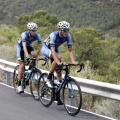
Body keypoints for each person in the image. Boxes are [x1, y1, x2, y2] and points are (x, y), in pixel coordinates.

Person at [41, 21, 78, 105]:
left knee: (59, 73)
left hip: (55, 49)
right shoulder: (53, 35)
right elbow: (53, 52)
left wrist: (73, 61)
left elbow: (70, 50)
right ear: (60, 30)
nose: (66, 32)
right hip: (46, 49)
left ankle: (57, 96)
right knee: (59, 57)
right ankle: (49, 78)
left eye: (67, 30)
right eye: (64, 30)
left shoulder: (68, 36)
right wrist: (58, 61)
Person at [17, 22, 42, 93]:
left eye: (35, 30)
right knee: (22, 65)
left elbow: (41, 47)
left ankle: (29, 71)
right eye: (33, 31)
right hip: (21, 47)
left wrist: (44, 56)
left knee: (34, 55)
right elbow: (24, 47)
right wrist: (27, 56)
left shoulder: (37, 35)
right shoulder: (24, 35)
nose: (34, 32)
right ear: (29, 30)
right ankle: (19, 85)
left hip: (28, 46)